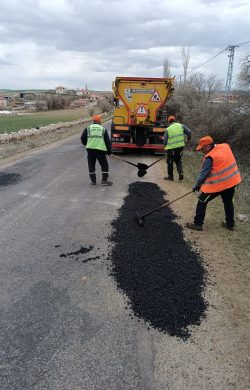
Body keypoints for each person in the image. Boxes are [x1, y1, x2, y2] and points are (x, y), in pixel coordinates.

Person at [186, 136, 242, 231]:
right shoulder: (225, 146)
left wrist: (197, 185)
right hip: (232, 181)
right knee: (228, 202)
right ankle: (230, 224)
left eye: (202, 148)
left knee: (202, 200)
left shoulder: (210, 157)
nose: (201, 150)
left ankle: (198, 224)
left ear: (207, 146)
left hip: (220, 184)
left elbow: (203, 174)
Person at [80, 114, 113, 186]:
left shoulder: (88, 128)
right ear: (99, 121)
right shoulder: (103, 129)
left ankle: (93, 181)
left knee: (91, 165)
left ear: (93, 121)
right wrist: (109, 151)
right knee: (104, 165)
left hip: (90, 150)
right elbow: (107, 142)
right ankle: (104, 181)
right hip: (100, 150)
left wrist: (86, 143)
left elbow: (82, 137)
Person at [163, 115, 192, 181]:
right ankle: (180, 172)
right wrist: (188, 139)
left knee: (170, 161)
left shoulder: (168, 129)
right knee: (178, 160)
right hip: (180, 147)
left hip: (171, 149)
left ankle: (170, 177)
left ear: (169, 122)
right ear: (174, 120)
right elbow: (189, 132)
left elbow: (165, 141)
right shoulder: (181, 125)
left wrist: (165, 147)